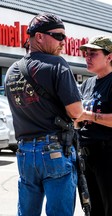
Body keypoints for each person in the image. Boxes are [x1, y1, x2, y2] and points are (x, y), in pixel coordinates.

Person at [5, 13, 83, 216]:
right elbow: (76, 112)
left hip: (24, 151)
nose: (63, 42)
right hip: (54, 150)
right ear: (39, 37)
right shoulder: (58, 65)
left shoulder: (12, 71)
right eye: (58, 36)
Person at [75, 36, 112, 216]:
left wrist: (89, 115)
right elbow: (78, 117)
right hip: (86, 154)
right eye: (86, 54)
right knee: (91, 209)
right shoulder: (87, 84)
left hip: (108, 155)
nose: (87, 57)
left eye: (93, 54)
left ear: (109, 57)